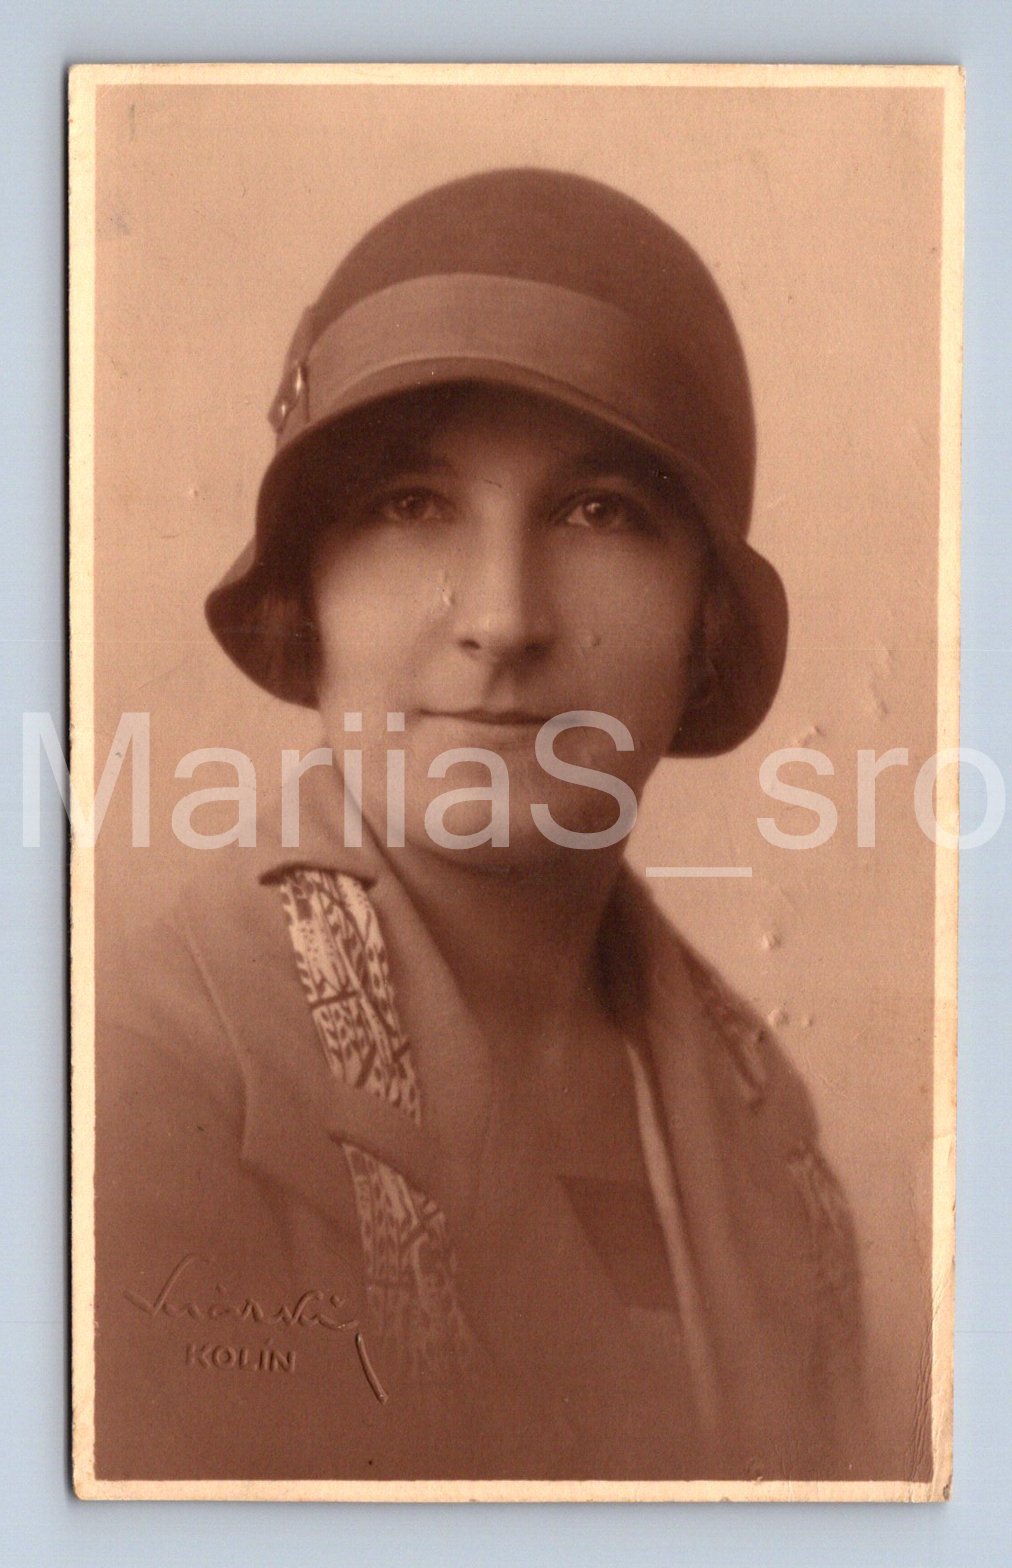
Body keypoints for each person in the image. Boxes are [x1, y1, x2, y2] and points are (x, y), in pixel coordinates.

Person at [91, 168, 869, 1485]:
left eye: (599, 512)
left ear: (705, 620)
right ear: (308, 597)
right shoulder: (148, 1086)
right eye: (410, 505)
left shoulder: (766, 1124)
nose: (503, 620)